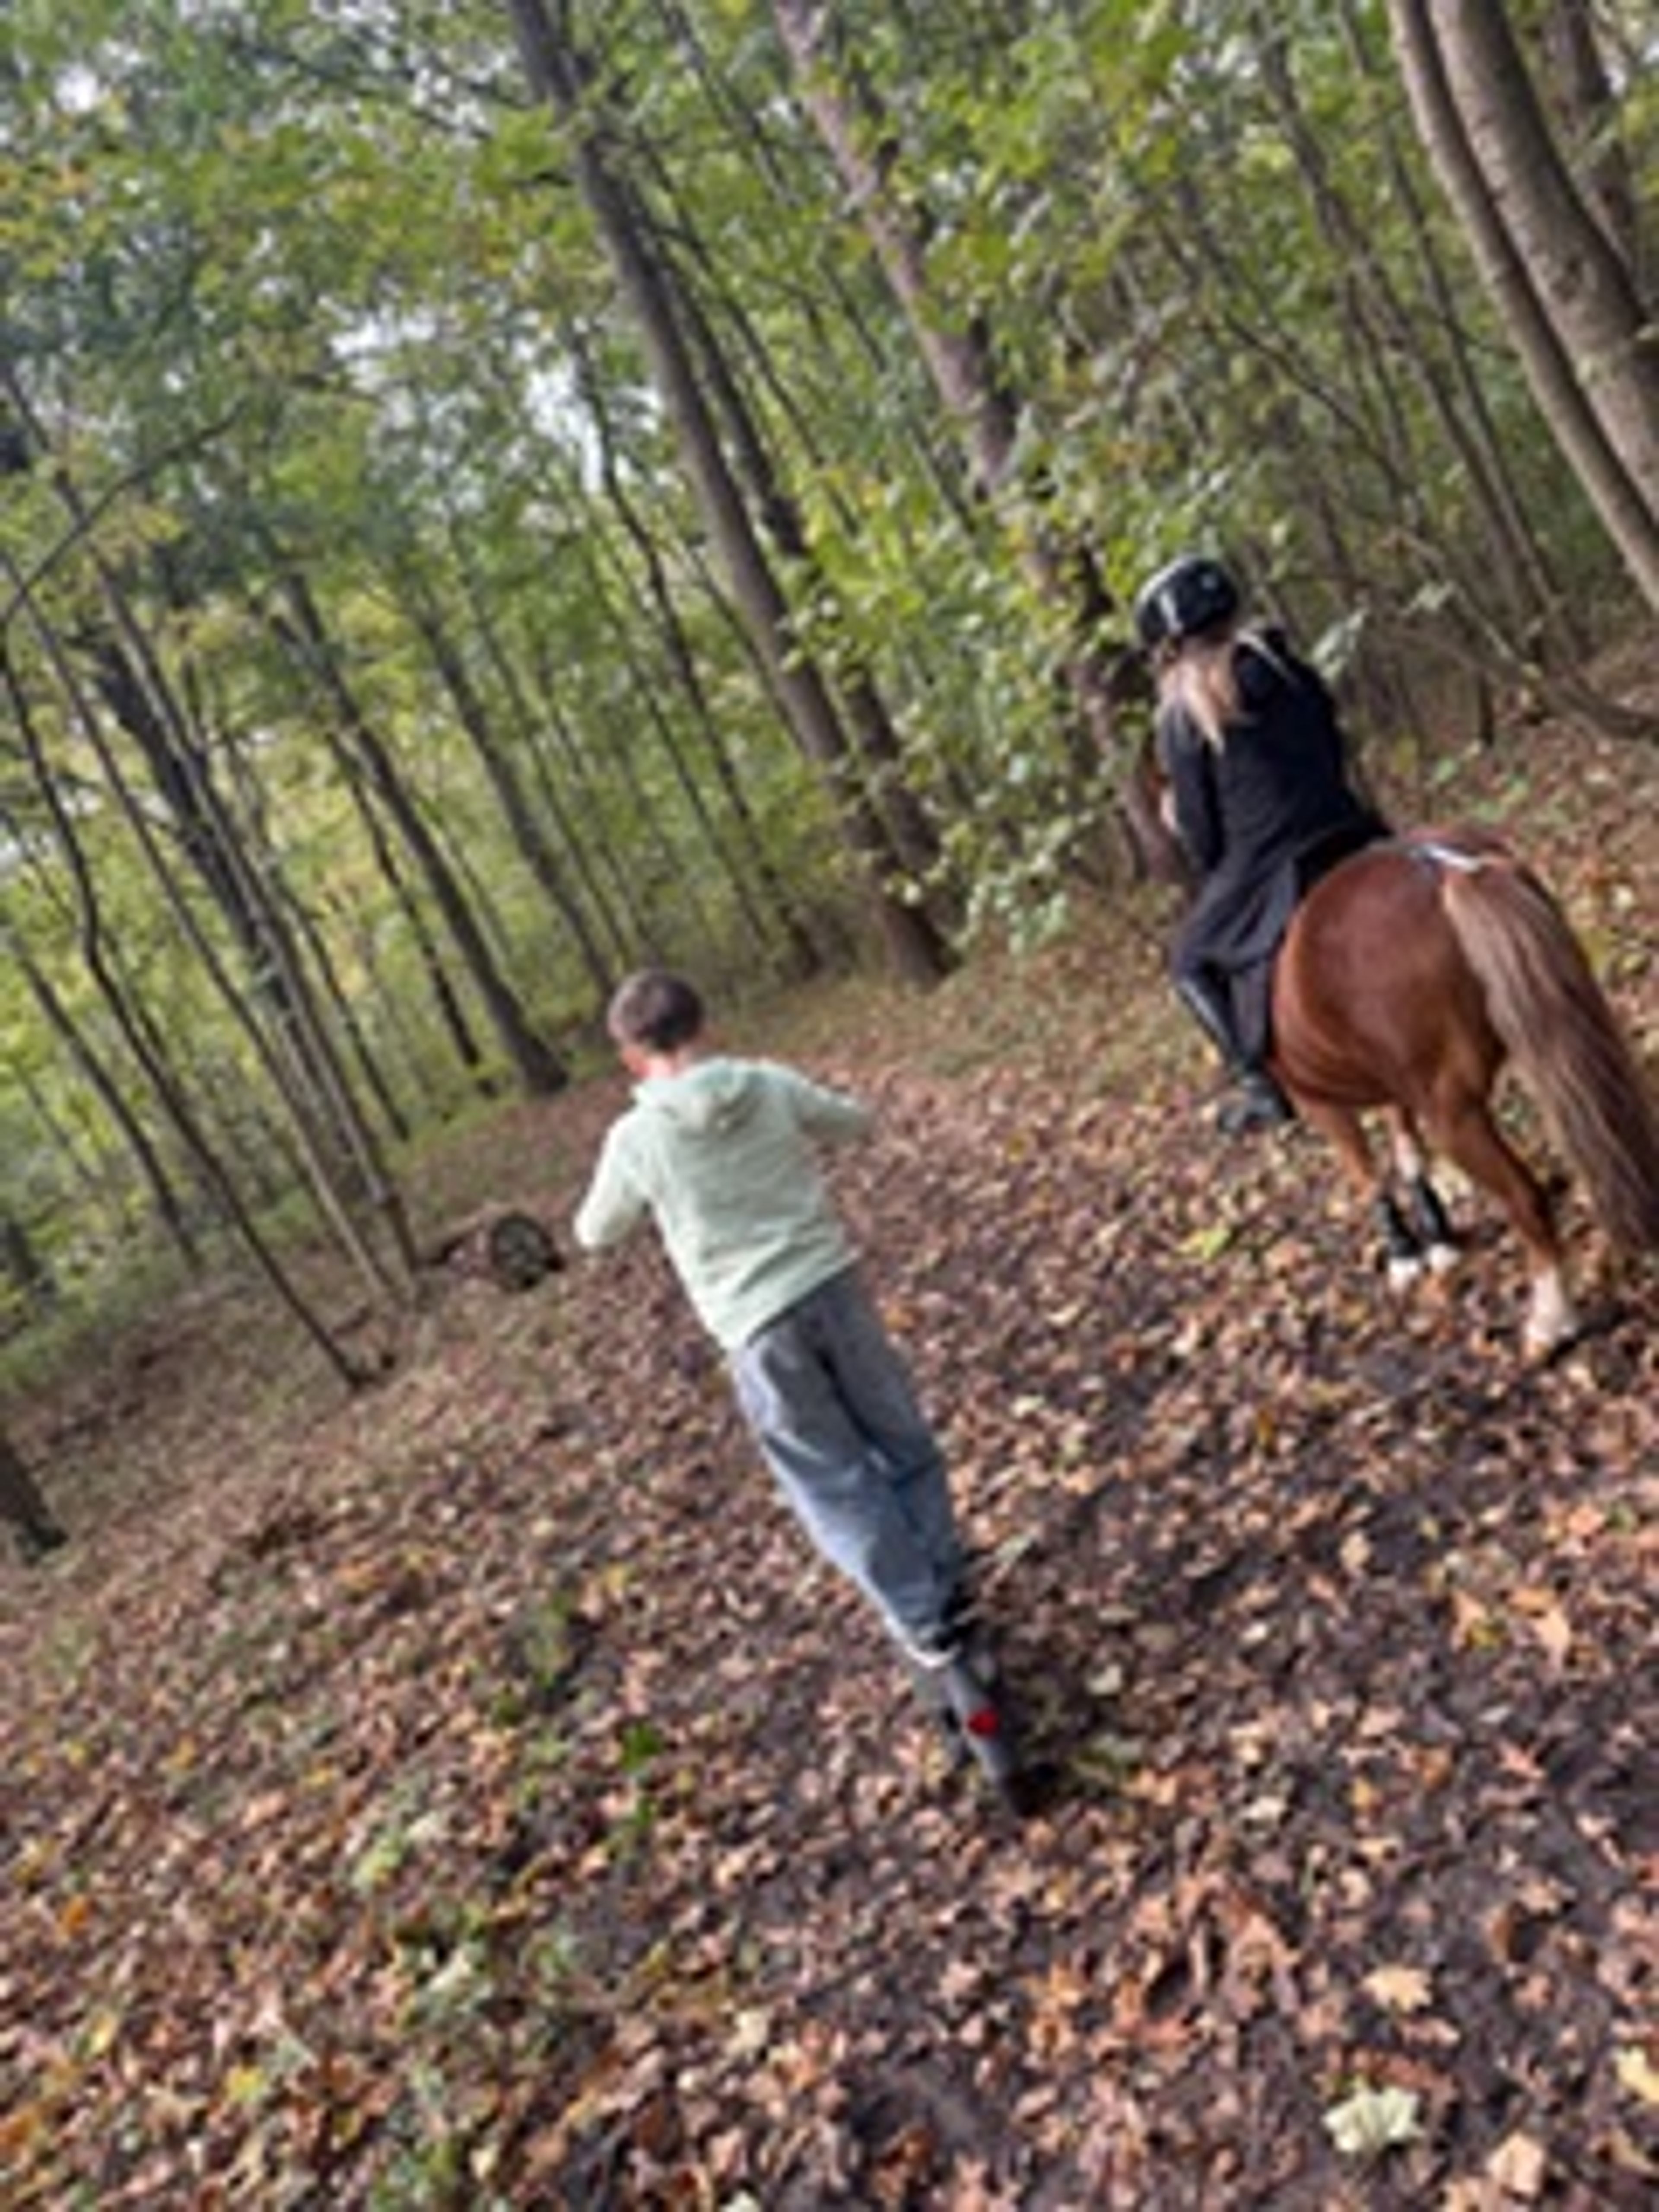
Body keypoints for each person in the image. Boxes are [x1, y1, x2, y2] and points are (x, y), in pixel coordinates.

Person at [573, 969, 986, 1720]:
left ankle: (925, 1620)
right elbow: (855, 1122)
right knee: (902, 1439)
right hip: (834, 1291)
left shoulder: (635, 1139)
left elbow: (594, 1233)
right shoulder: (767, 1085)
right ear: (707, 1026)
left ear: (633, 1058)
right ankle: (944, 1579)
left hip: (754, 1330)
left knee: (833, 1482)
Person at [1135, 553, 1390, 1134]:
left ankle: (1257, 1081)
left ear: (1169, 647)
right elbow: (1333, 747)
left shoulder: (1183, 714)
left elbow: (1202, 838)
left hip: (1270, 862)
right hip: (1349, 828)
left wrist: (1187, 830)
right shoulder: (1288, 668)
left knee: (1189, 962)